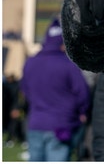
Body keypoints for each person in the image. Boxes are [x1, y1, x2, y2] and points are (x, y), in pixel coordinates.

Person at [20, 19, 90, 161]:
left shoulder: (31, 63)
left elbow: (24, 90)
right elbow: (83, 93)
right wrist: (83, 112)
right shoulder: (67, 65)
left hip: (36, 123)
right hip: (61, 125)